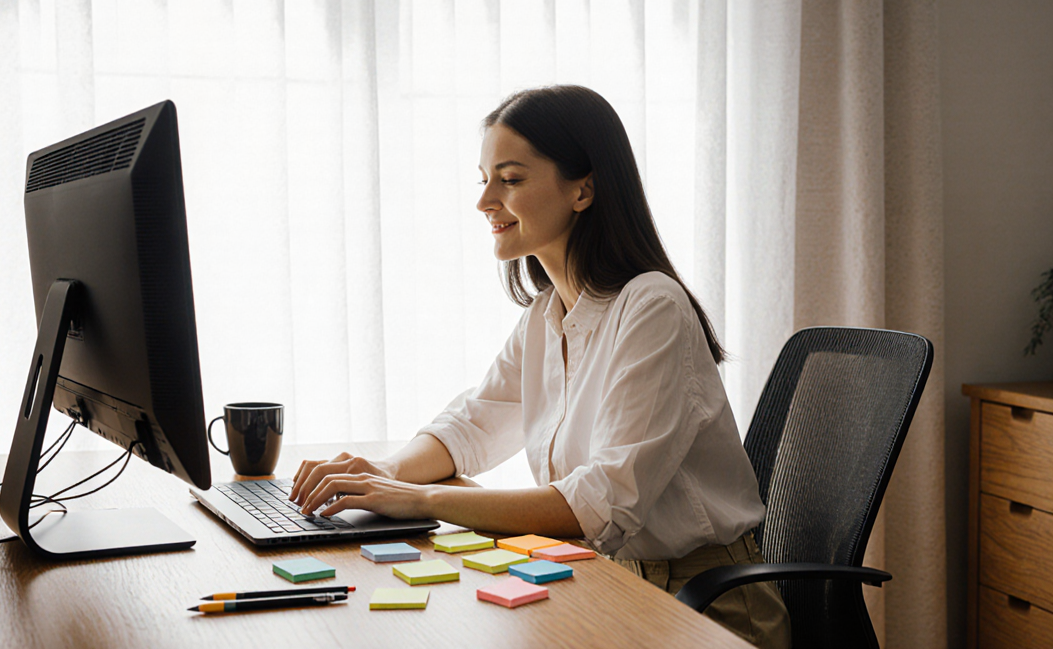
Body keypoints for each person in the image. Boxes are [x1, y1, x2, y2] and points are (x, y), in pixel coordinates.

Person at [288, 85, 790, 648]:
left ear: (584, 188)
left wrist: (419, 500)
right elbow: (472, 425)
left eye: (511, 179)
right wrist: (386, 473)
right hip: (606, 585)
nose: (485, 202)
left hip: (705, 609)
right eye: (484, 180)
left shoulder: (652, 307)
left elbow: (600, 504)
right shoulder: (546, 314)